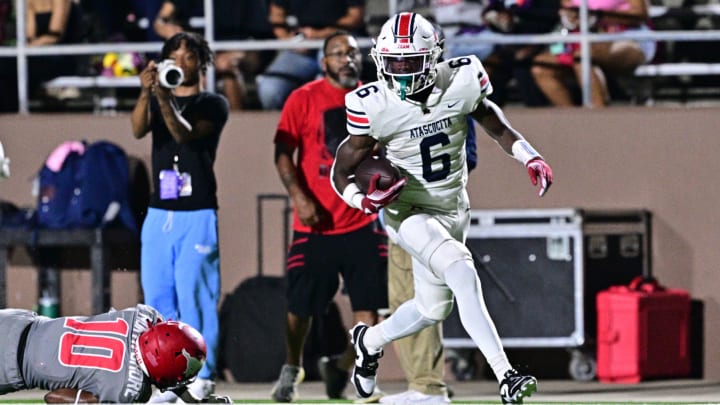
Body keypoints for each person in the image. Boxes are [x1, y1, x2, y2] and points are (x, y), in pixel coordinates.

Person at [331, 12, 553, 405]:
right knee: (461, 270)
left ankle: (369, 341)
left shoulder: (462, 80)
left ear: (433, 57)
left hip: (453, 207)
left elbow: (496, 125)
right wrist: (361, 200)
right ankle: (507, 375)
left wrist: (529, 156)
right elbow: (341, 171)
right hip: (408, 211)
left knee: (433, 308)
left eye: (409, 62)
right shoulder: (375, 105)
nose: (400, 71)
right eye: (393, 62)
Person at [271, 30, 388, 403]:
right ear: (324, 63)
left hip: (362, 220)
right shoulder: (302, 98)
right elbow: (282, 153)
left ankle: (350, 372)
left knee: (372, 309)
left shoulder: (376, 98)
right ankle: (292, 367)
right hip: (315, 223)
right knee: (298, 309)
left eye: (352, 53)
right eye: (337, 53)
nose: (346, 59)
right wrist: (299, 197)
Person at [130, 31, 229, 403]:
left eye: (189, 56)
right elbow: (138, 129)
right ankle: (167, 377)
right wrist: (146, 91)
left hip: (197, 212)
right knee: (158, 297)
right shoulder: (157, 99)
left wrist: (162, 96)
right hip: (159, 213)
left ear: (200, 63)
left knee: (197, 296)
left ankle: (202, 373)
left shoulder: (213, 104)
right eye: (175, 56)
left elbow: (183, 135)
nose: (182, 63)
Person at [0, 304, 230, 403]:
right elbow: (54, 398)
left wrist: (193, 401)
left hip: (19, 321)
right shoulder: (128, 389)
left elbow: (166, 354)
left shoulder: (143, 316)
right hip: (9, 366)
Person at [531, 0, 655, 107]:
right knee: (541, 68)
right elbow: (566, 9)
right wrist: (570, 17)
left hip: (627, 38)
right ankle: (572, 119)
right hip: (581, 39)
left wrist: (598, 17)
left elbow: (641, 14)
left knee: (583, 58)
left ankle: (598, 116)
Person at [255, 0, 366, 110]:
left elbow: (355, 17)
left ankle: (338, 121)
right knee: (269, 89)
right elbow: (276, 16)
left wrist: (320, 34)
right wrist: (289, 41)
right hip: (303, 45)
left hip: (341, 39)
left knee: (329, 79)